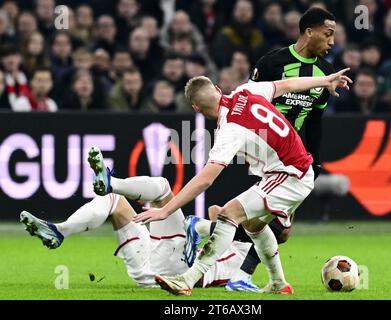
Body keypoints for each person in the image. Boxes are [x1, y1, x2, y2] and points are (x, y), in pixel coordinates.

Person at [133, 69, 351, 296]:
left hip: (289, 175)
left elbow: (205, 180)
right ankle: (278, 283)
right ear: (218, 90)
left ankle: (187, 279)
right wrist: (324, 80)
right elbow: (287, 85)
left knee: (229, 214)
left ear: (196, 108)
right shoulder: (247, 91)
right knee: (254, 225)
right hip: (293, 171)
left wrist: (165, 211)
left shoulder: (229, 129)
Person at [20, 147, 252, 289]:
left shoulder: (239, 240)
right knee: (112, 201)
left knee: (162, 187)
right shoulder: (236, 247)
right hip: (152, 269)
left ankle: (114, 182)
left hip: (176, 270)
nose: (230, 208)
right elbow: (216, 213)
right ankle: (60, 230)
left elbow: (206, 221)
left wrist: (198, 225)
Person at [227, 6, 340, 291]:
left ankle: (210, 234)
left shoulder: (325, 72)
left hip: (294, 158)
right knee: (274, 223)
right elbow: (248, 102)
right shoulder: (272, 63)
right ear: (308, 31)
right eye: (328, 35)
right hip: (265, 153)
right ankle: (241, 275)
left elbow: (315, 121)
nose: (332, 42)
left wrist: (314, 162)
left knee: (276, 227)